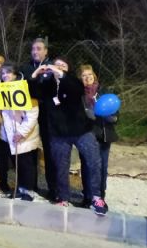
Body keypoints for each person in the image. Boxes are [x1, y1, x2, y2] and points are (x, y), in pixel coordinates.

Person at [30, 57, 107, 216]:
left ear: (67, 69)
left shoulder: (74, 83)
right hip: (58, 133)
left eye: (62, 66)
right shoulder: (48, 85)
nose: (58, 67)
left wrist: (60, 73)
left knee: (93, 162)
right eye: (56, 65)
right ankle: (62, 197)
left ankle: (95, 197)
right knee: (60, 166)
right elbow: (32, 91)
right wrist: (36, 73)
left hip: (81, 131)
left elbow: (75, 89)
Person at [78, 64, 119, 208]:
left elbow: (115, 112)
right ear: (80, 79)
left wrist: (111, 117)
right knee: (86, 166)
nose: (87, 78)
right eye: (84, 75)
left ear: (94, 76)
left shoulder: (103, 92)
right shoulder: (79, 94)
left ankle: (100, 196)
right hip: (86, 136)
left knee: (102, 166)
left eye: (90, 75)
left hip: (103, 135)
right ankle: (87, 196)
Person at [0, 63, 40, 200]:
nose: (5, 75)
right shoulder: (2, 89)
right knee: (17, 164)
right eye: (3, 73)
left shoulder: (25, 88)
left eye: (8, 72)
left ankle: (28, 190)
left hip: (24, 134)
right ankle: (19, 188)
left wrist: (22, 132)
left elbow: (33, 113)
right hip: (10, 134)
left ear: (15, 74)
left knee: (26, 164)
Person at [20, 37, 55, 199]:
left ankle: (53, 189)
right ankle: (29, 185)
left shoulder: (53, 68)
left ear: (46, 51)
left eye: (39, 48)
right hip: (30, 114)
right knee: (29, 149)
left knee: (50, 151)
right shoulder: (25, 68)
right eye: (33, 48)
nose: (35, 51)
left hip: (48, 115)